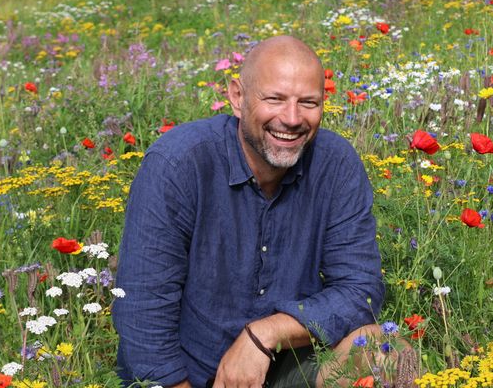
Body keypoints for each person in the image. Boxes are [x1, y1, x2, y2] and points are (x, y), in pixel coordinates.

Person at [112, 35, 386, 388]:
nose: (292, 118)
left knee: (386, 350)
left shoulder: (335, 164)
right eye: (274, 99)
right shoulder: (178, 164)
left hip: (287, 364)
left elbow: (360, 290)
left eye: (308, 102)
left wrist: (266, 334)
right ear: (237, 96)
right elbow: (142, 312)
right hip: (187, 375)